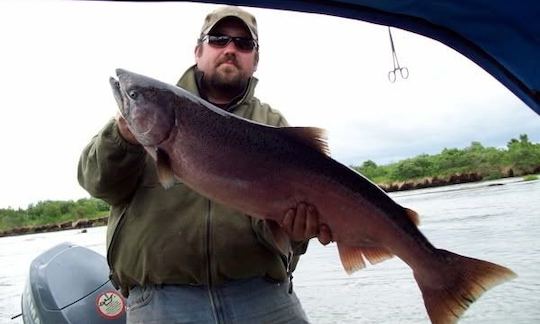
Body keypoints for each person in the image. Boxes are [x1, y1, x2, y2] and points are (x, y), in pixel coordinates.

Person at [78, 5, 331, 323]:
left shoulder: (273, 125)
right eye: (219, 39)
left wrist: (296, 232)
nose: (230, 49)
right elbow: (96, 182)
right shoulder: (151, 110)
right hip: (161, 301)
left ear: (255, 60)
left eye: (243, 44)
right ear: (198, 51)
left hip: (261, 294)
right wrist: (122, 136)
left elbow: (286, 232)